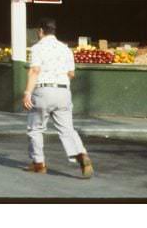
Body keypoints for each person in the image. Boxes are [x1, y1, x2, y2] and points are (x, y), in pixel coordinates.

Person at [23, 17, 94, 178]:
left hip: (43, 90)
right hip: (63, 91)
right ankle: (81, 153)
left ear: (40, 31)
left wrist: (27, 92)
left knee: (35, 128)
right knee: (67, 129)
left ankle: (39, 163)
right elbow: (71, 73)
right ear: (54, 31)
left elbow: (35, 71)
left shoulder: (37, 48)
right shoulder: (65, 49)